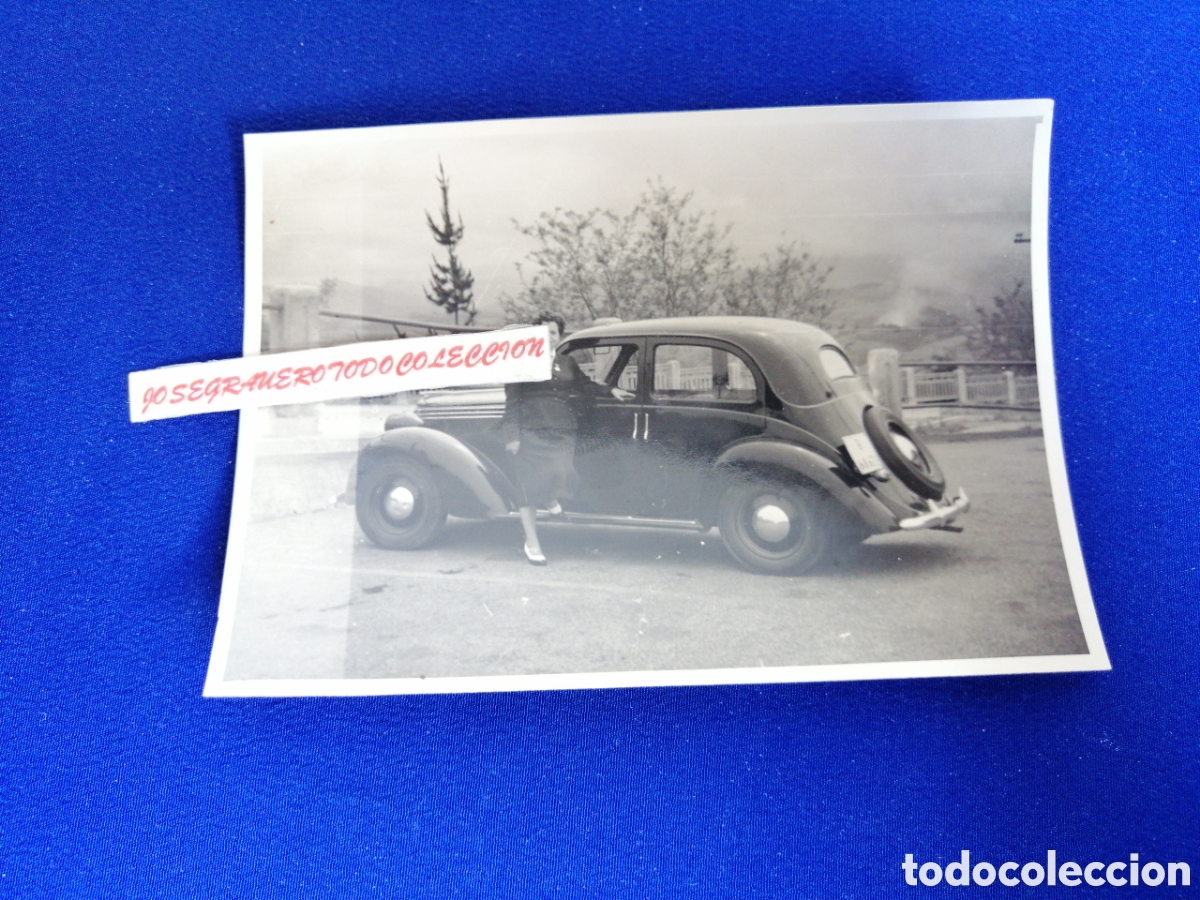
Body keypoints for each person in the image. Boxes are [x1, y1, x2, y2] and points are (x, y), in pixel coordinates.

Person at [502, 313, 634, 564]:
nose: (546, 337)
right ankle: (532, 543)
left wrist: (611, 390)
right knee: (528, 490)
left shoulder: (567, 362)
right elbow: (513, 403)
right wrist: (513, 436)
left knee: (561, 474)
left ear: (559, 336)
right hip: (532, 431)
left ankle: (550, 498)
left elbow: (585, 385)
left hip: (562, 429)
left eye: (552, 333)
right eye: (541, 332)